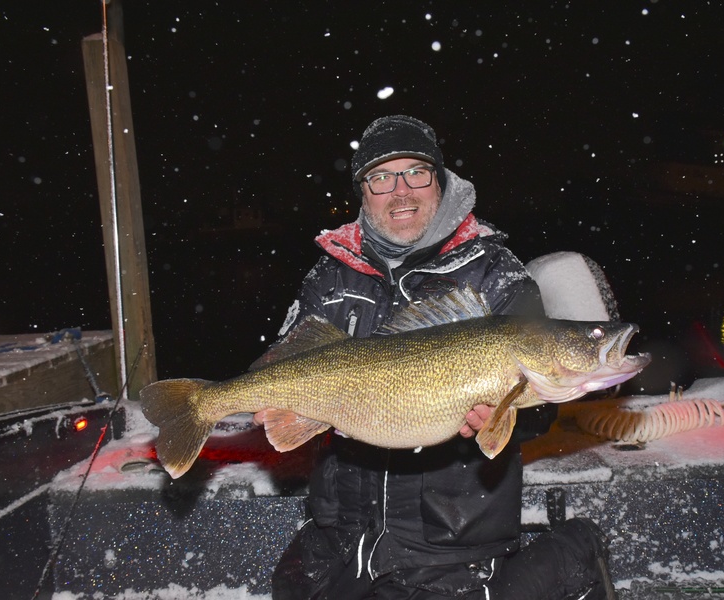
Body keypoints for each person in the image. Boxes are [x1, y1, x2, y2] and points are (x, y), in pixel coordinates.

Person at [260, 115, 616, 599]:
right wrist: (267, 400)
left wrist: (502, 415)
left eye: (415, 173)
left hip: (451, 543)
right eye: (381, 177)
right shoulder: (331, 275)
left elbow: (541, 406)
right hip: (343, 532)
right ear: (364, 191)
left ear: (441, 181)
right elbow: (282, 361)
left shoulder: (495, 273)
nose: (400, 191)